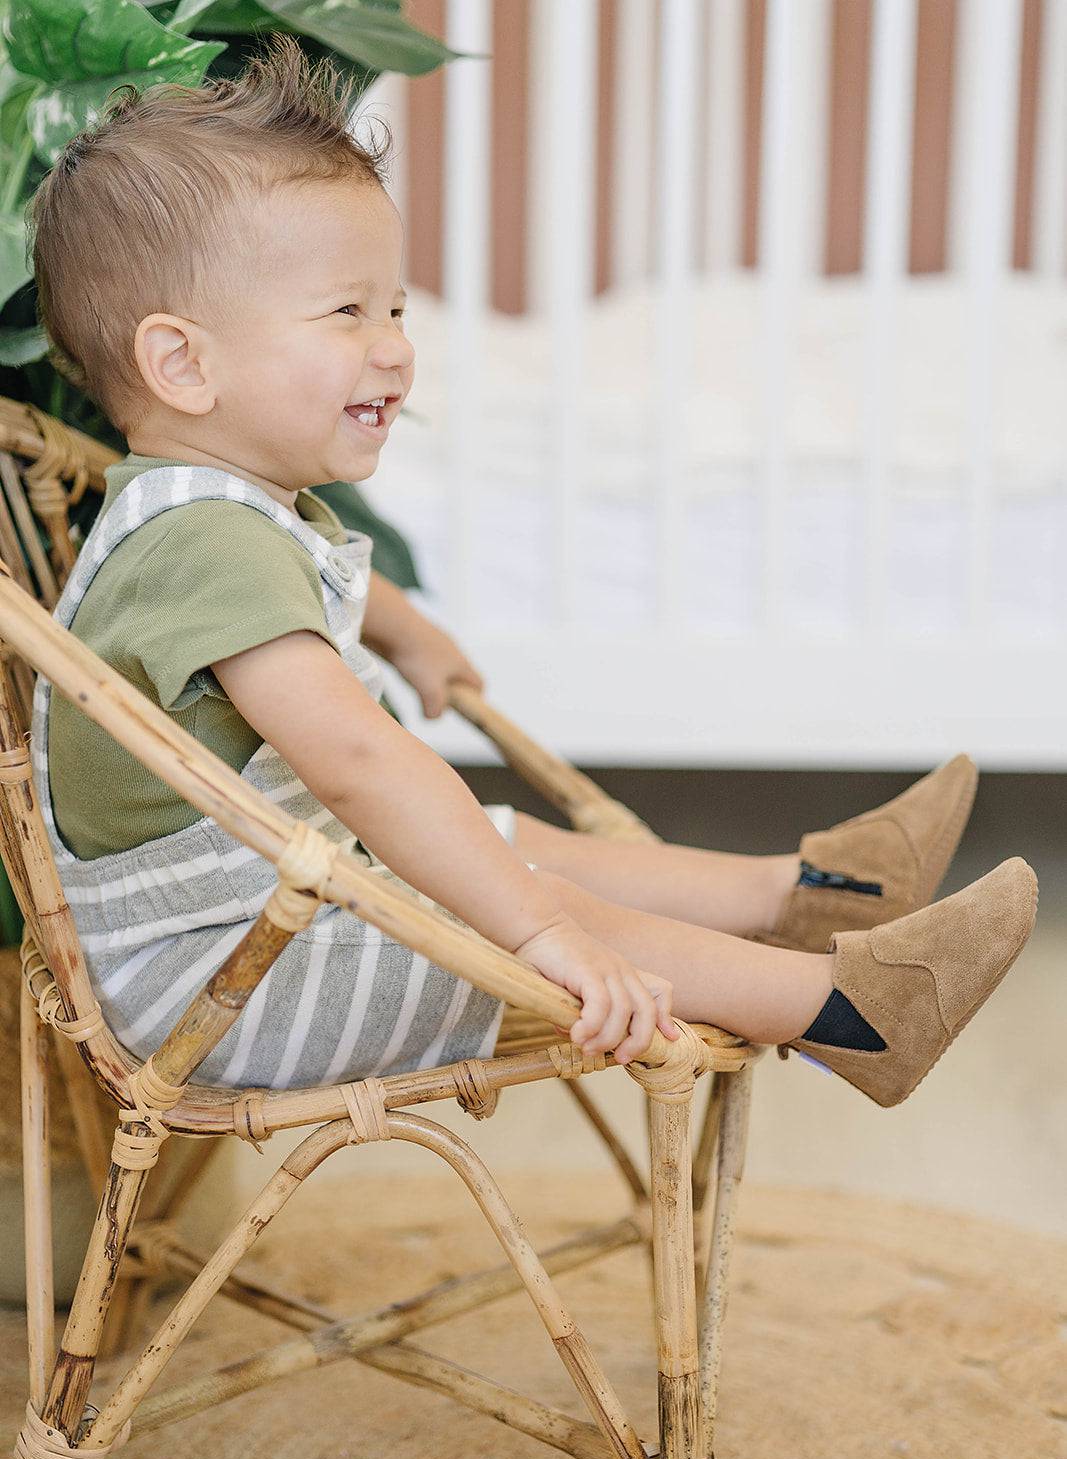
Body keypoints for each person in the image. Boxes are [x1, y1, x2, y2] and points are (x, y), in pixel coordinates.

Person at [29, 38, 1036, 1109]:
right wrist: (539, 927)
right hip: (221, 989)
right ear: (183, 363)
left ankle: (812, 893)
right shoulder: (201, 540)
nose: (394, 348)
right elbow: (359, 760)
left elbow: (280, 596)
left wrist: (399, 627)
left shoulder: (202, 515)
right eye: (346, 312)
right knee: (515, 889)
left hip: (251, 937)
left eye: (396, 309)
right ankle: (850, 1010)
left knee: (499, 848)